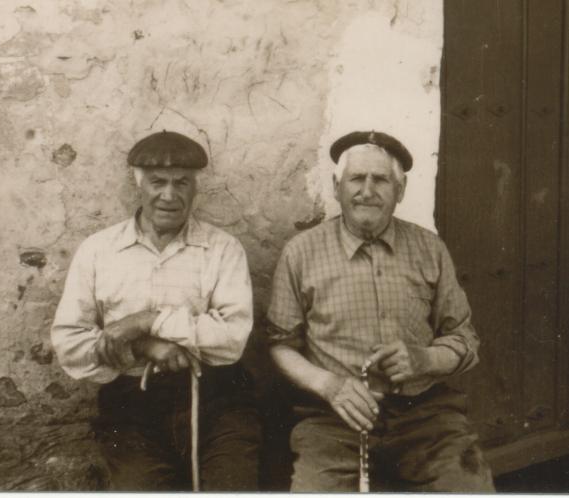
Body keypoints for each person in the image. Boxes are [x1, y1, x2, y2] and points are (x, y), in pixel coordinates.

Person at [266, 130, 495, 492]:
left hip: (426, 420)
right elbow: (281, 345)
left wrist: (424, 359)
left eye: (381, 180)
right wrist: (330, 386)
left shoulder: (429, 248)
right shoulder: (301, 253)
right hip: (334, 420)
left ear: (400, 191)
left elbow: (463, 338)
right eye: (356, 178)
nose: (367, 191)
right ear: (337, 187)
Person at [51, 131, 261, 491]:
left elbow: (232, 338)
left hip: (217, 398)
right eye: (157, 182)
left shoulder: (223, 249)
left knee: (231, 485)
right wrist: (143, 347)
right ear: (138, 185)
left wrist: (147, 320)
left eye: (182, 183)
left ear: (195, 188)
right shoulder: (98, 251)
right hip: (132, 405)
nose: (169, 195)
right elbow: (70, 345)